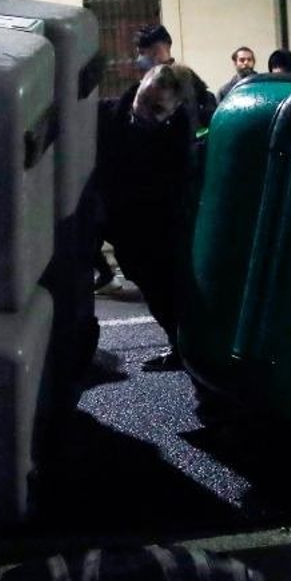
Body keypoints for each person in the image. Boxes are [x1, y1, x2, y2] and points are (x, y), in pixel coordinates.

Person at [94, 63, 204, 372]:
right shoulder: (106, 114)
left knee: (168, 292)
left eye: (156, 109)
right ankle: (182, 348)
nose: (142, 112)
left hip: (158, 225)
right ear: (140, 83)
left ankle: (187, 350)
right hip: (118, 221)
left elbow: (180, 179)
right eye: (143, 99)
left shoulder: (178, 134)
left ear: (173, 110)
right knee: (152, 288)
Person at [132, 23, 216, 126]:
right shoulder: (145, 85)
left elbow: (205, 121)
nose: (139, 59)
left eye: (142, 52)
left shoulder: (187, 80)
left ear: (157, 51)